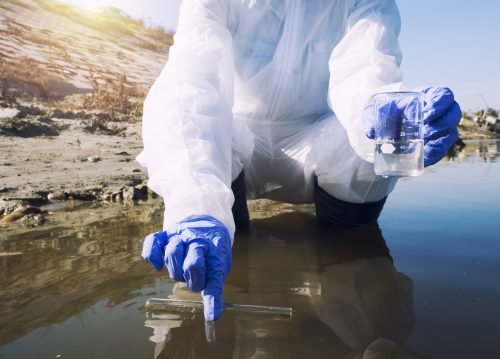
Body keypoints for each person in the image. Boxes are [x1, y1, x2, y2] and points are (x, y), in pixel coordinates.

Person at [138, 0, 461, 321]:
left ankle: (350, 284)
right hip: (236, 137)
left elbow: (366, 70)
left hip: (318, 138)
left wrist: (386, 114)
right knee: (190, 124)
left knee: (371, 153)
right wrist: (194, 206)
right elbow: (195, 79)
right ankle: (212, 229)